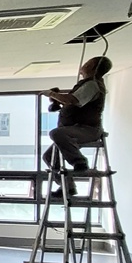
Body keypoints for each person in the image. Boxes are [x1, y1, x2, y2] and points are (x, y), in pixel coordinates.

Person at [42, 56, 111, 194]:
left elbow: (73, 100)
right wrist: (59, 103)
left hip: (87, 129)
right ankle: (68, 187)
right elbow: (75, 105)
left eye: (88, 63)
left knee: (56, 133)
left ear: (92, 67)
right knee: (49, 157)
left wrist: (51, 94)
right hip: (76, 128)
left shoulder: (92, 85)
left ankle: (79, 161)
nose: (83, 65)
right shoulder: (87, 85)